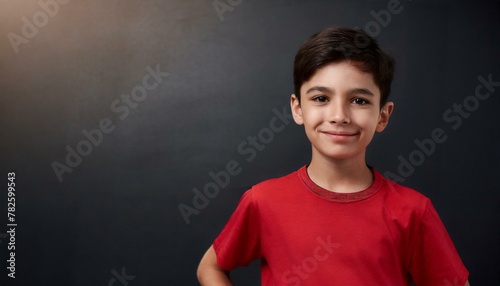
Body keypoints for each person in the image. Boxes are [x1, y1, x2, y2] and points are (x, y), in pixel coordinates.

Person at [197, 27, 470, 286]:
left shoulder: (413, 211)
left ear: (383, 116)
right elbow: (211, 267)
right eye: (320, 98)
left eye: (359, 100)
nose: (339, 116)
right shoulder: (263, 201)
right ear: (297, 108)